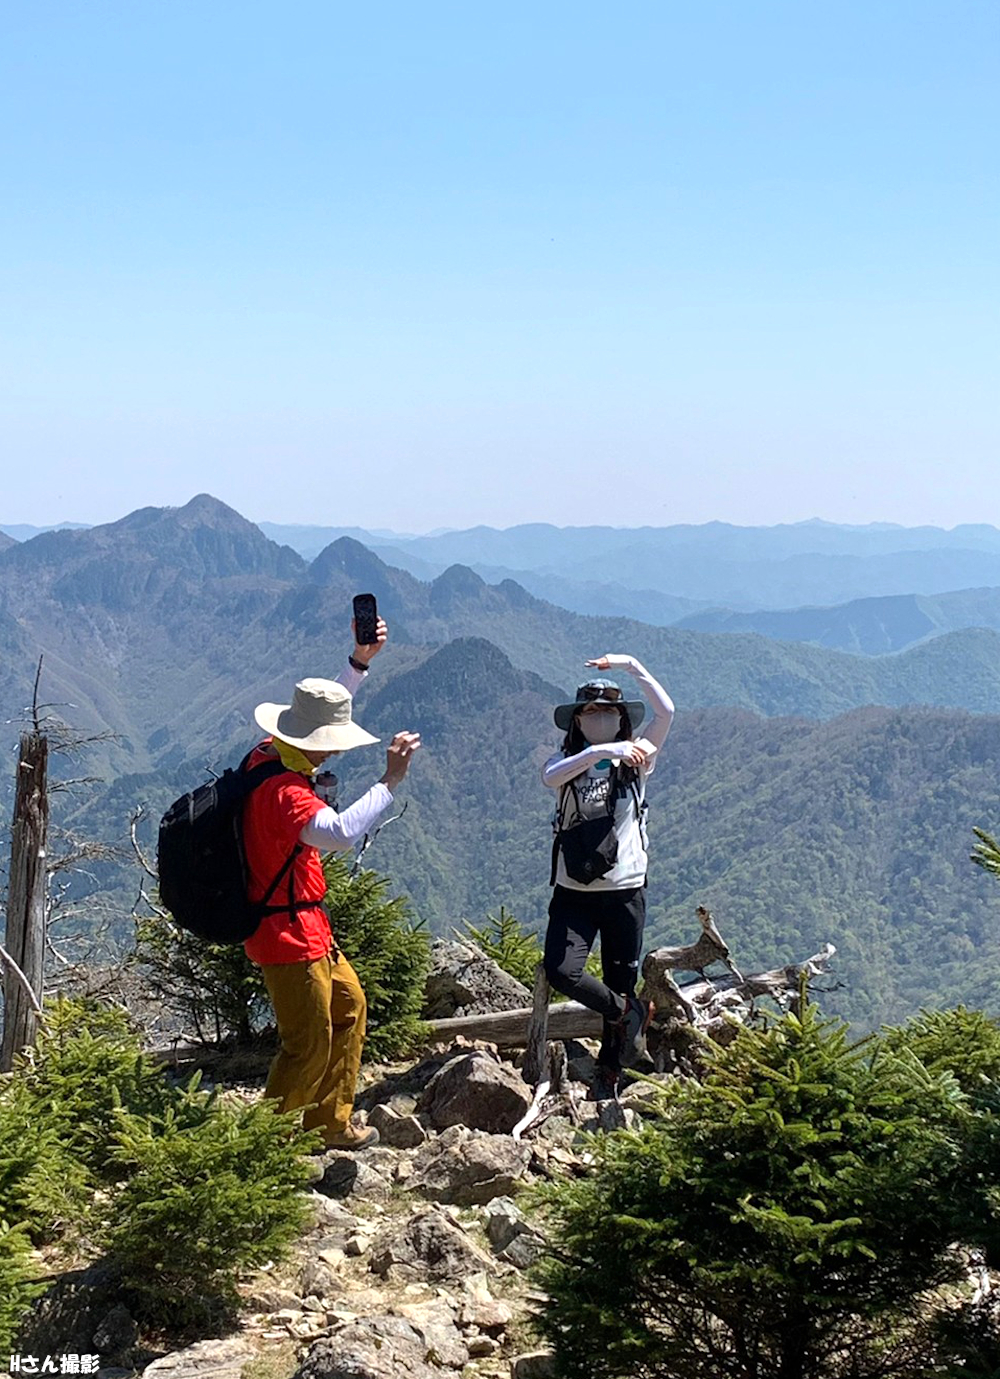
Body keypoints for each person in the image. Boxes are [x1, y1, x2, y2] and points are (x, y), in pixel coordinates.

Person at [243, 616, 420, 1151]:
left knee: (350, 1007)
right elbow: (339, 833)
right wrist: (390, 780)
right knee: (307, 1044)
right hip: (285, 934)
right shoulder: (285, 793)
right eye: (334, 741)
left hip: (308, 924)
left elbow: (321, 713)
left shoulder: (269, 753)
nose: (339, 749)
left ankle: (330, 1122)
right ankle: (261, 1149)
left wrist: (359, 662)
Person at [542, 653, 675, 1101]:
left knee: (620, 976)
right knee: (563, 970)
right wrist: (601, 751)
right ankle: (630, 1012)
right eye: (591, 712)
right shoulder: (567, 764)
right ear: (577, 722)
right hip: (573, 892)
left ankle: (609, 1072)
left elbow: (666, 712)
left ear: (622, 720)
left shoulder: (638, 761)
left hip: (624, 892)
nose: (600, 718)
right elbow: (549, 778)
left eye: (609, 712)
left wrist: (632, 665)